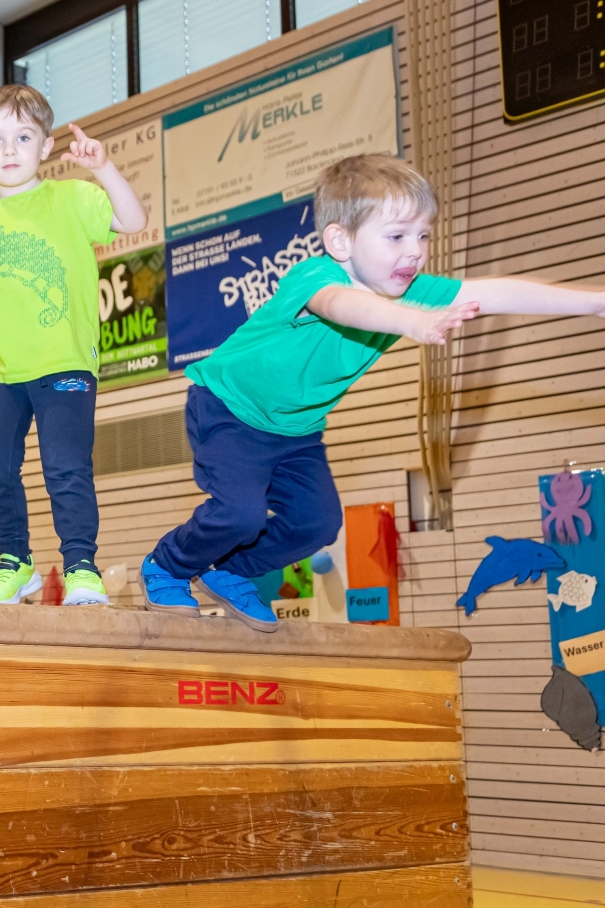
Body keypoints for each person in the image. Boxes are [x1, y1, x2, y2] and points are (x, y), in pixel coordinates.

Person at [142, 154, 605, 630]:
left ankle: (230, 571)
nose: (415, 251)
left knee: (317, 523)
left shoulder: (408, 291)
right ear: (340, 241)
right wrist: (414, 321)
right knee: (240, 514)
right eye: (397, 236)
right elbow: (342, 306)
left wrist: (593, 303)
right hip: (229, 410)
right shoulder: (316, 278)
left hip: (296, 432)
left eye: (423, 236)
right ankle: (168, 564)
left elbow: (495, 293)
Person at [0, 84, 148, 606]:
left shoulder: (71, 199)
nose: (10, 150)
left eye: (23, 137)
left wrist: (104, 168)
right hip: (1, 372)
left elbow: (134, 221)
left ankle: (81, 565)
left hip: (65, 363)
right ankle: (15, 562)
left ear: (46, 145)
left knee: (65, 466)